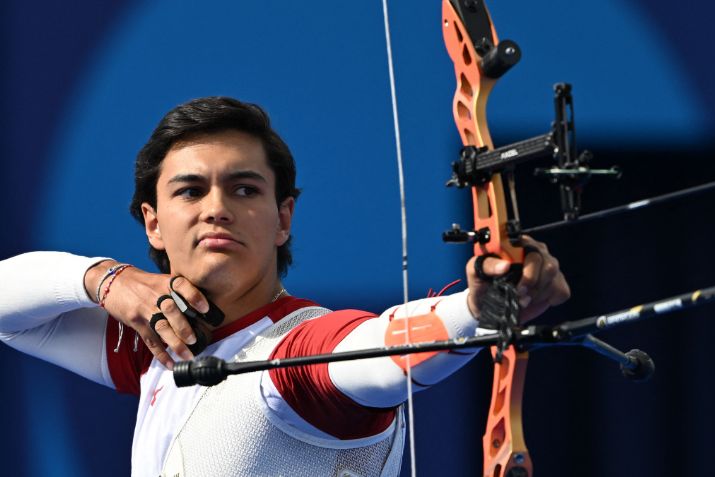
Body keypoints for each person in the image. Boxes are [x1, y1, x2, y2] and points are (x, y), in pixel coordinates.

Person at [0, 96, 570, 476]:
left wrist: (478, 308)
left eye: (245, 189)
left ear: (283, 218)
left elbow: (376, 351)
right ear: (152, 221)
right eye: (190, 191)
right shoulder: (162, 347)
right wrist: (106, 279)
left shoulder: (296, 356)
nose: (217, 209)